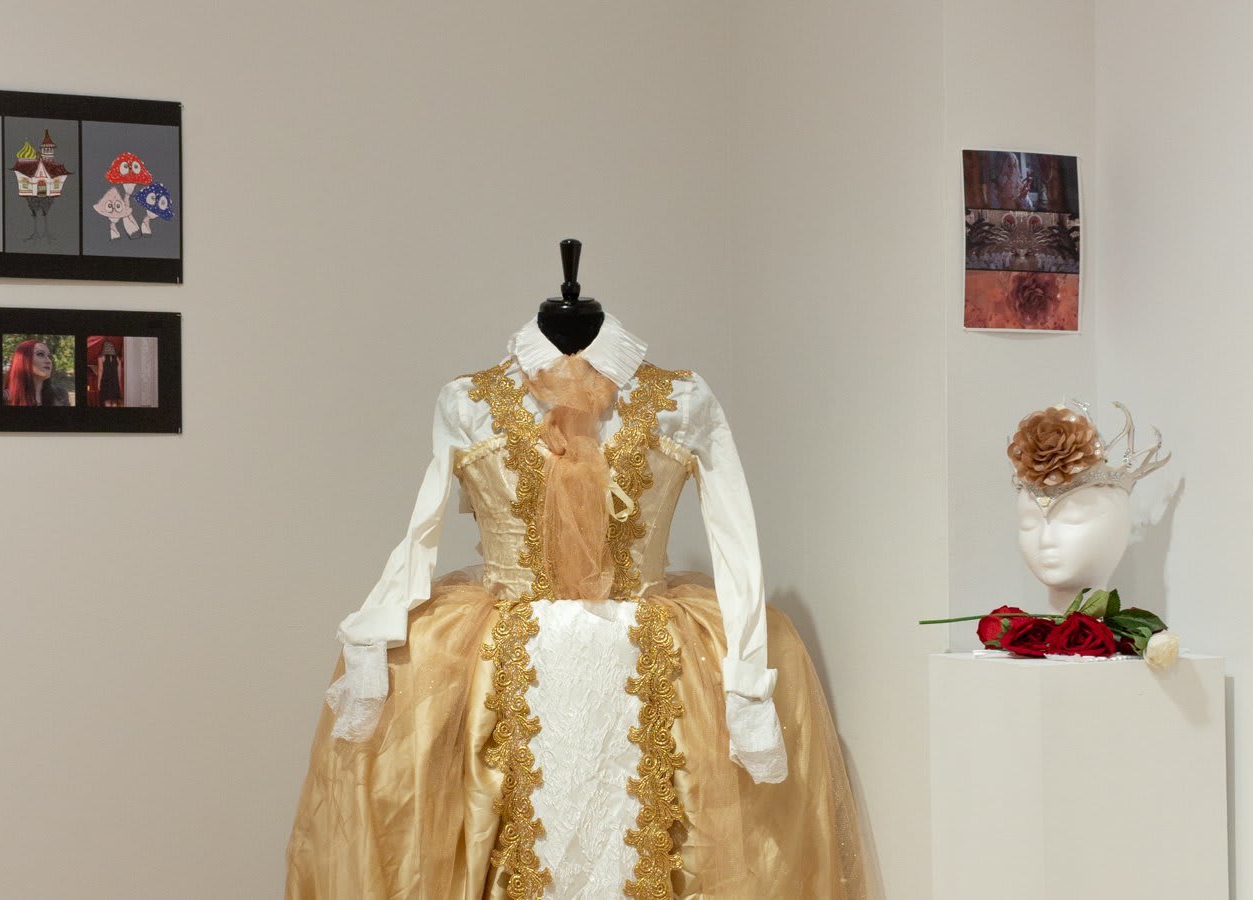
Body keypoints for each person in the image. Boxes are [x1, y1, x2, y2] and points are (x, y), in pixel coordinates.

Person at [287, 315, 868, 899]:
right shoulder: (467, 400)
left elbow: (734, 534)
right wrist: (382, 621)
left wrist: (745, 675)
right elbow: (422, 528)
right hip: (494, 651)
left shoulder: (682, 398)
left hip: (653, 646)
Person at [4, 339, 69, 406]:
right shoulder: (5, 398)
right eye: (40, 354)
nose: (49, 361)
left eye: (49, 356)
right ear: (23, 360)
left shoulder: (60, 395)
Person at [91, 339, 123, 407]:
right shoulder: (117, 358)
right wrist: (119, 383)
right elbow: (119, 372)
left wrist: (99, 383)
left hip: (105, 381)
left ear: (104, 348)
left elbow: (100, 370)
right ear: (113, 348)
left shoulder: (101, 357)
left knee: (107, 402)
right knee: (114, 402)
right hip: (115, 382)